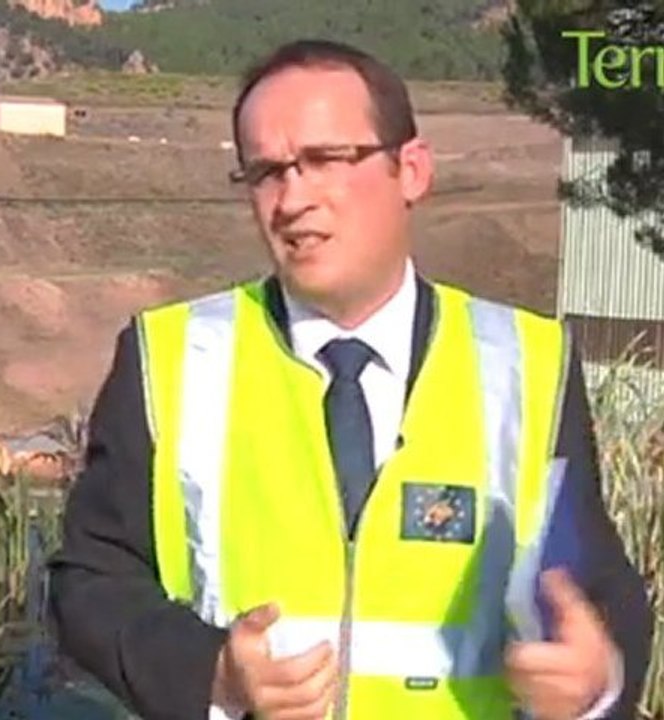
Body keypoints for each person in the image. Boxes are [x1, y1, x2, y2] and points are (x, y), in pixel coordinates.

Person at [47, 39, 652, 720]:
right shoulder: (170, 357)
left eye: (326, 159)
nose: (293, 198)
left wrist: (596, 676)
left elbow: (595, 582)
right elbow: (92, 582)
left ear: (411, 170)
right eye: (267, 172)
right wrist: (209, 671)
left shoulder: (527, 361)